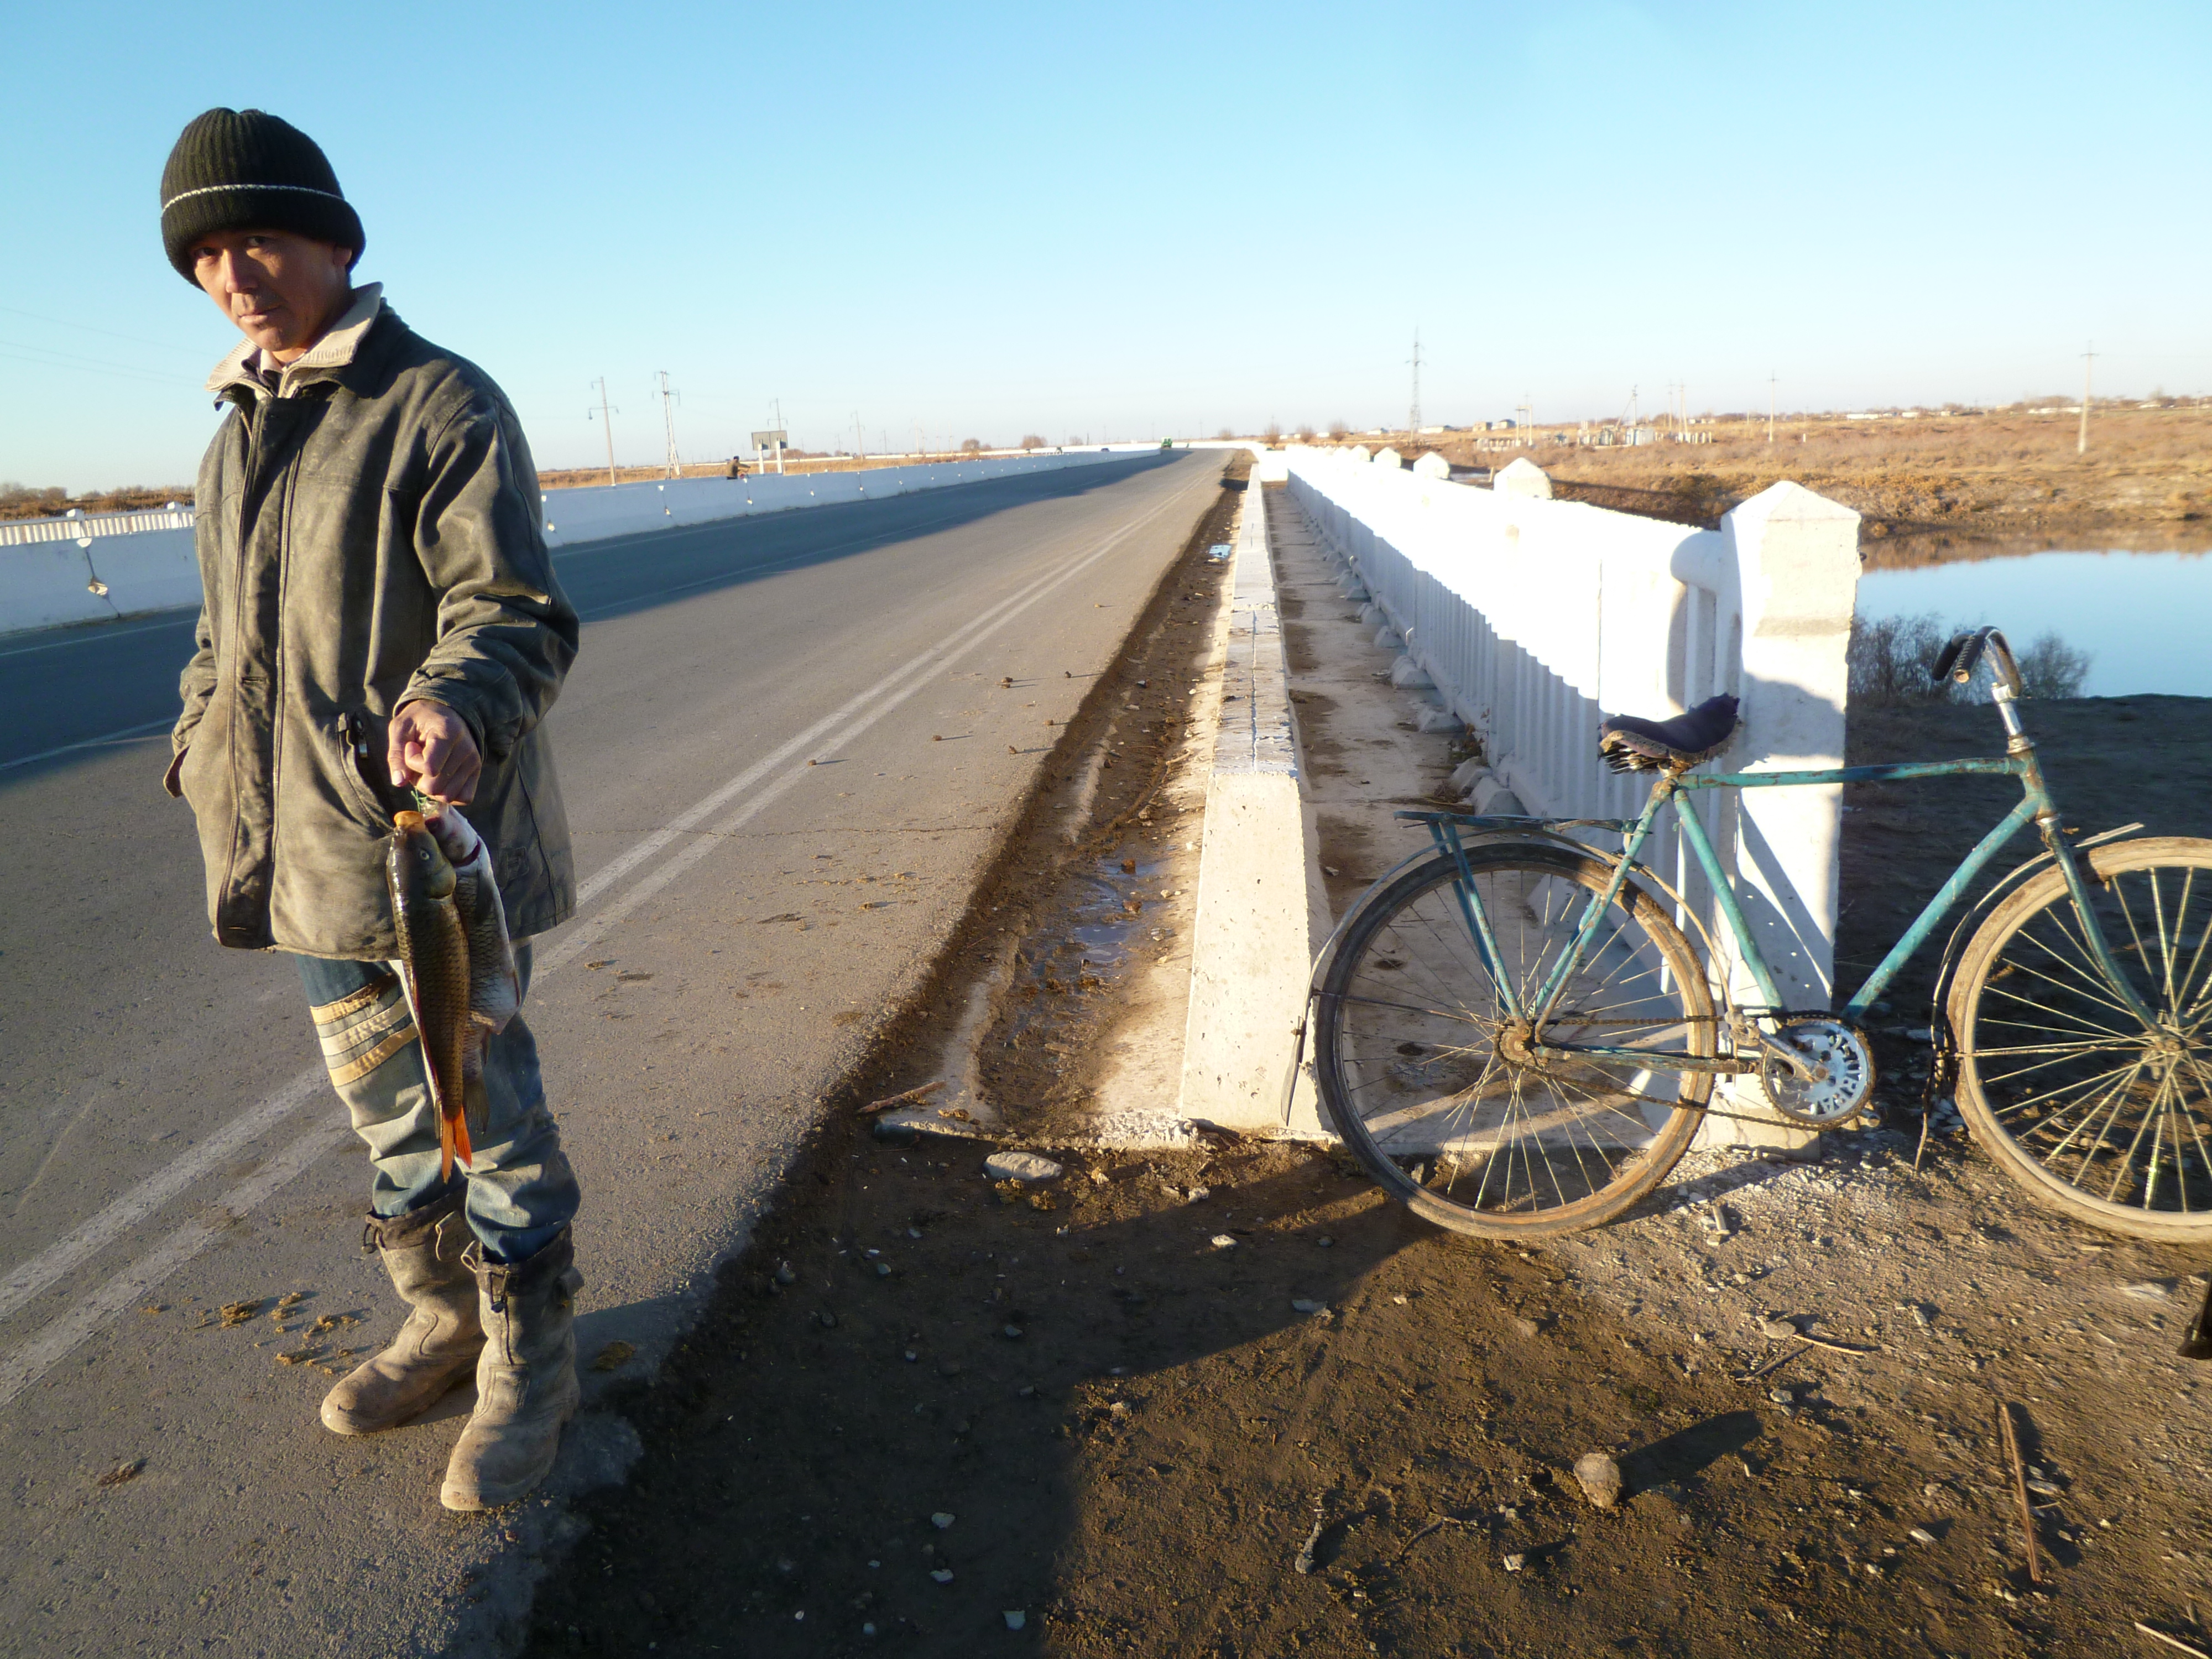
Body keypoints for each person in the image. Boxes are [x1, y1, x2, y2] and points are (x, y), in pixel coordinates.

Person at [159, 107, 585, 1512]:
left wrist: (454, 705)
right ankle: (443, 1318)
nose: (238, 274)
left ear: (335, 242)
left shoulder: (439, 403)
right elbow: (225, 640)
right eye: (209, 253)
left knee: (489, 1111)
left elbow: (511, 609)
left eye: (263, 239)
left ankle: (533, 1353)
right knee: (390, 1119)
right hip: (298, 862)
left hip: (428, 867)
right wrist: (197, 739)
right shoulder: (234, 438)